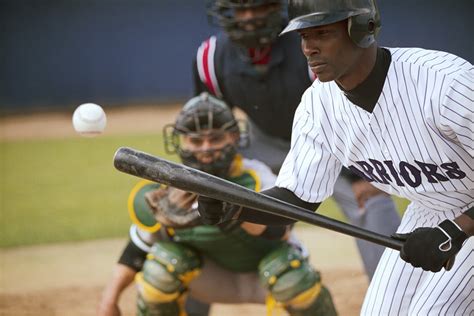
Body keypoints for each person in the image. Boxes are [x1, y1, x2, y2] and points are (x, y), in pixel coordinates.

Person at [197, 0, 474, 315]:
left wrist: (456, 229)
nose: (308, 48)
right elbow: (296, 197)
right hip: (429, 212)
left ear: (363, 29)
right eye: (303, 37)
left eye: (322, 33)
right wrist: (234, 206)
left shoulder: (445, 83)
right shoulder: (318, 105)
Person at [194, 0, 400, 279]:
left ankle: (395, 287)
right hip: (261, 143)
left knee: (372, 197)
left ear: (276, 8)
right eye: (241, 10)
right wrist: (206, 177)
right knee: (202, 198)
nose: (249, 18)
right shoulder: (211, 57)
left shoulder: (308, 46)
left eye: (258, 8)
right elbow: (207, 124)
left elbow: (350, 112)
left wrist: (360, 174)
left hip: (329, 144)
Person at [97, 93, 337, 316]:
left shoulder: (257, 177)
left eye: (215, 138)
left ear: (234, 137)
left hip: (264, 277)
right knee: (162, 266)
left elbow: (280, 232)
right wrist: (109, 301)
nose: (206, 149)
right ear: (181, 141)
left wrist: (234, 210)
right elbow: (138, 247)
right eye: (195, 140)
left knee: (289, 275)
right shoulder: (170, 190)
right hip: (209, 280)